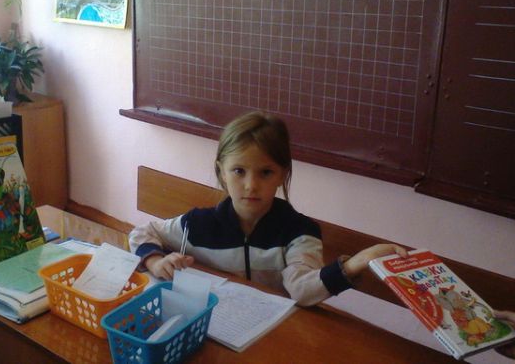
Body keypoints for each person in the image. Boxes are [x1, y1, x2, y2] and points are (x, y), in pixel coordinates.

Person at [129, 111, 407, 306]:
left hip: (274, 334)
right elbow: (142, 233)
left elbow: (302, 290)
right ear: (222, 172)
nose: (251, 185)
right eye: (239, 171)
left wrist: (356, 262)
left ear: (282, 175)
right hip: (210, 324)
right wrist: (155, 261)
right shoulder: (198, 223)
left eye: (265, 172)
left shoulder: (299, 232)